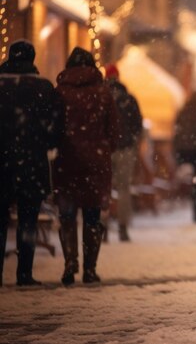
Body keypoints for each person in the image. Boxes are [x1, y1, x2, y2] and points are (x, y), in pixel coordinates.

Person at [53, 47, 119, 285]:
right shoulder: (103, 93)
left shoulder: (60, 92)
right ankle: (90, 269)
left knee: (67, 215)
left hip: (67, 161)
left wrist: (63, 145)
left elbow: (53, 127)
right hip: (96, 163)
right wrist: (101, 149)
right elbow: (114, 131)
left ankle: (70, 262)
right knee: (92, 216)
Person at [0, 40, 63, 286]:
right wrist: (43, 144)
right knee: (28, 218)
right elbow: (55, 127)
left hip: (2, 163)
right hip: (32, 163)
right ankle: (24, 273)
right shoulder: (44, 88)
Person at [103, 63, 143, 241]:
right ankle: (123, 227)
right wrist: (132, 142)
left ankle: (102, 227)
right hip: (125, 148)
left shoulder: (101, 97)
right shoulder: (128, 98)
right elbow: (138, 125)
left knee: (104, 189)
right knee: (124, 188)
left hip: (105, 149)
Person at [173, 91, 196, 223]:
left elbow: (177, 130)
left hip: (185, 151)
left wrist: (177, 150)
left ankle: (186, 196)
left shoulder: (183, 111)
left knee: (187, 177)